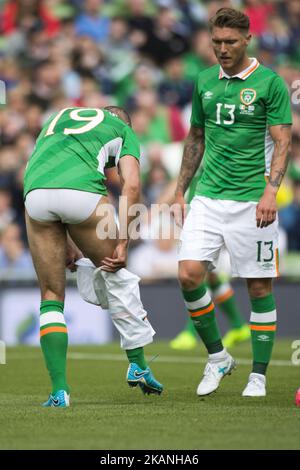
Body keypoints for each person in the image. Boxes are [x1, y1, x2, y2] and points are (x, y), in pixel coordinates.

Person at [173, 8, 292, 397]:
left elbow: (282, 140)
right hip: (207, 196)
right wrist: (179, 192)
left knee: (258, 287)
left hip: (251, 201)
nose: (222, 49)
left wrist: (271, 192)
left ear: (247, 40)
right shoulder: (204, 80)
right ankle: (218, 357)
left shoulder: (270, 83)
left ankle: (258, 375)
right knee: (189, 274)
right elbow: (195, 138)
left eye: (230, 42)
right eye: (216, 42)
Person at [24, 105, 163, 407]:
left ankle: (59, 391)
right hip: (83, 193)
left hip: (35, 193)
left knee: (50, 295)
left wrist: (66, 240)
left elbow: (49, 168)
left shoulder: (58, 116)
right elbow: (133, 184)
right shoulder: (123, 130)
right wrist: (124, 241)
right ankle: (138, 364)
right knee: (115, 272)